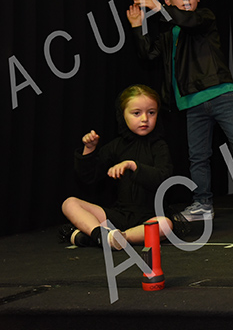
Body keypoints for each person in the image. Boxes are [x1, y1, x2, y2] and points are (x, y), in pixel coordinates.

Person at [127, 0, 233, 221]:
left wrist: (159, 9)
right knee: (198, 156)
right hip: (191, 102)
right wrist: (137, 27)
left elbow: (189, 22)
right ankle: (203, 203)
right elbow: (149, 54)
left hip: (220, 93)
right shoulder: (168, 31)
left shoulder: (204, 17)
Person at [61, 84, 173, 250]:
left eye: (151, 112)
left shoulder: (159, 146)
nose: (145, 119)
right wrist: (89, 150)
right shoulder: (116, 146)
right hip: (119, 215)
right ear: (122, 115)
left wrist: (133, 165)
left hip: (148, 216)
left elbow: (163, 178)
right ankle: (101, 236)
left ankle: (115, 238)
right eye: (136, 113)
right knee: (69, 203)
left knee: (166, 225)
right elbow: (89, 176)